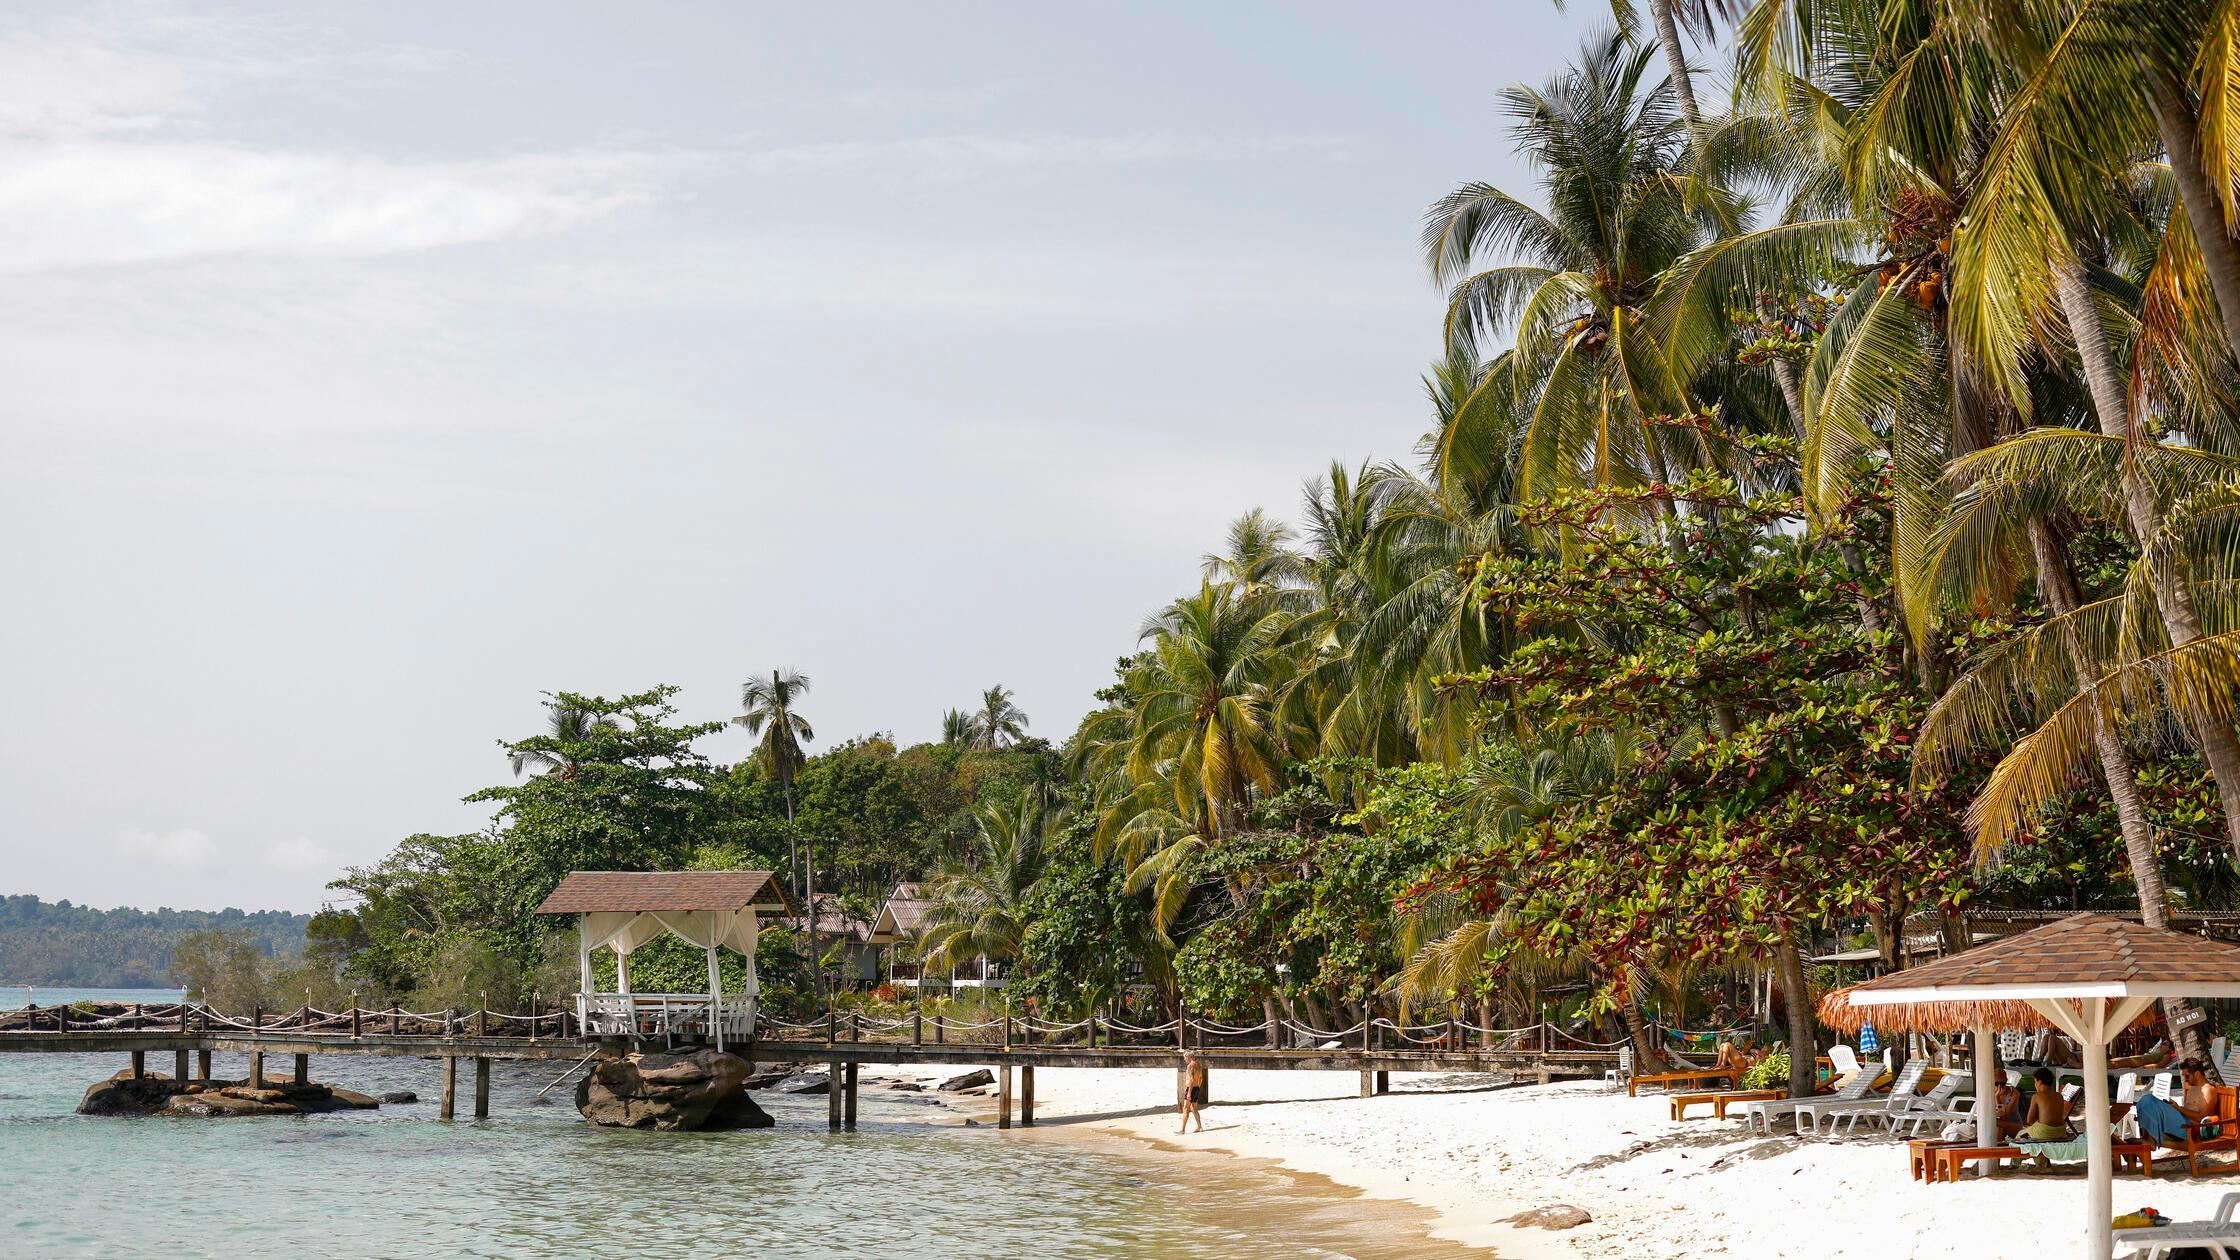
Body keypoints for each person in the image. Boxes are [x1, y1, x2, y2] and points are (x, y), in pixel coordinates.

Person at [2132, 1058, 2223, 1146]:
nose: (2185, 1079)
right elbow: (2187, 1110)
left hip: (2191, 1128)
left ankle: (2150, 1140)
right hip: (2182, 1123)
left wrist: (2178, 1108)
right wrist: (2174, 1108)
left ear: (2197, 1074)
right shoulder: (2192, 1088)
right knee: (2148, 1101)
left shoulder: (2208, 1090)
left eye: (2187, 1076)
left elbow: (2201, 1117)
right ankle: (2146, 1138)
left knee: (2149, 1100)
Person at [2023, 1067, 2071, 1142]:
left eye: (2035, 1082)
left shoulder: (2037, 1096)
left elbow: (2029, 1120)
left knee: (2020, 1133)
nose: (2035, 1085)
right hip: (2061, 1131)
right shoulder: (2059, 1096)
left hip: (2044, 1132)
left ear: (2039, 1082)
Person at [1178, 1051, 1207, 1134]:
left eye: (1185, 1058)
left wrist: (1189, 1093)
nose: (1184, 1060)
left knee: (1185, 1108)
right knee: (1194, 1108)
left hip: (1191, 1089)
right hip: (1197, 1088)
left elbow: (1191, 1080)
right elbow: (1201, 1078)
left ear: (1188, 1057)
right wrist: (1197, 1088)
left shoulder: (1190, 1066)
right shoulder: (1198, 1065)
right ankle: (1199, 1127)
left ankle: (1182, 1130)